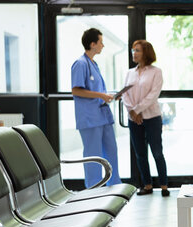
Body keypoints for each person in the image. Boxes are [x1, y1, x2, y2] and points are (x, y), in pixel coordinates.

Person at [71, 28, 121, 188]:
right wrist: (101, 95)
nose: (103, 46)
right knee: (94, 156)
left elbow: (97, 90)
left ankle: (114, 187)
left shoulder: (94, 64)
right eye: (101, 42)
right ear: (93, 44)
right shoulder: (80, 64)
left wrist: (106, 96)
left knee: (111, 152)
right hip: (90, 119)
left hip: (102, 116)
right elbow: (76, 90)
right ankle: (94, 190)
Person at [121, 40, 169, 197]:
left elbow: (153, 95)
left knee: (157, 152)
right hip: (133, 119)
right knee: (140, 154)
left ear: (146, 53)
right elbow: (125, 95)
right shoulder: (129, 73)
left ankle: (164, 186)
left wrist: (137, 110)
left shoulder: (156, 72)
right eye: (133, 50)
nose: (134, 53)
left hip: (152, 117)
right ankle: (147, 185)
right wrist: (132, 112)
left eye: (137, 50)